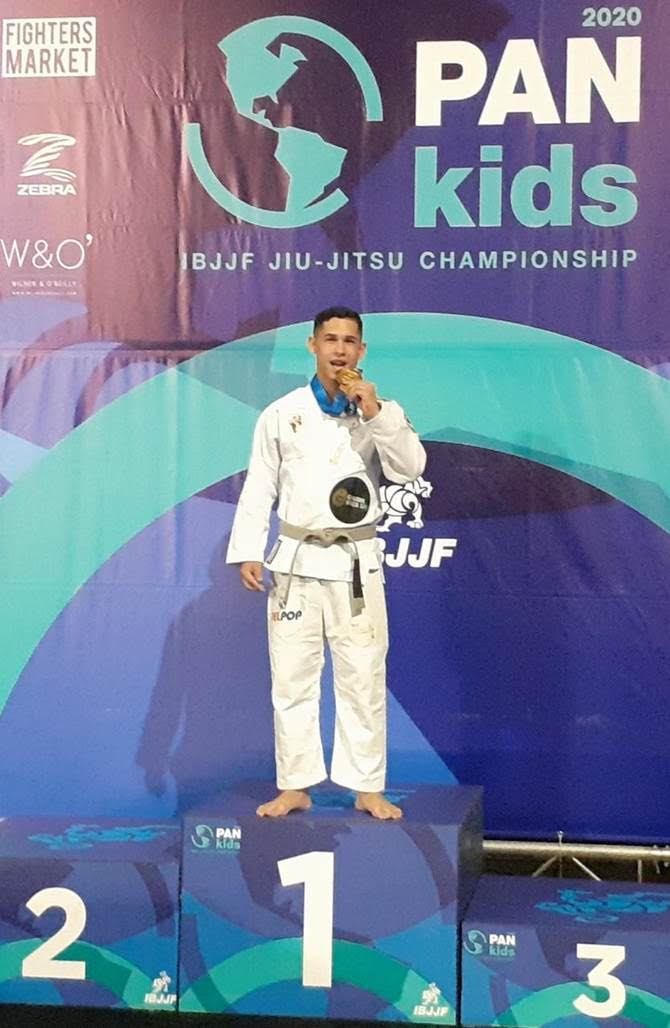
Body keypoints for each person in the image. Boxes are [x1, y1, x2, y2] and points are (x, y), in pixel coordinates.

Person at [226, 307, 426, 819]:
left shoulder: (382, 412)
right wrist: (248, 548)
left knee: (363, 676)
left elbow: (410, 468)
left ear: (362, 350)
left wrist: (374, 412)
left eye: (349, 341)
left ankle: (367, 786)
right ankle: (295, 784)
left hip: (356, 563)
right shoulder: (281, 413)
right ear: (312, 345)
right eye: (330, 339)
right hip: (296, 561)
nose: (340, 349)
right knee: (292, 678)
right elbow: (260, 484)